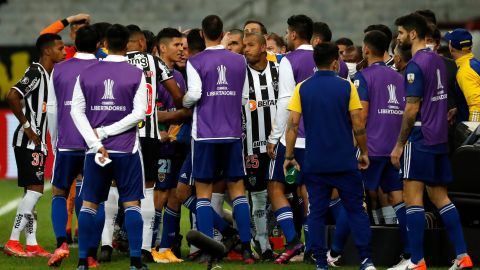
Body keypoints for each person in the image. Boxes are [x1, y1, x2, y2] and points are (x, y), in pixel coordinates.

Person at [392, 13, 473, 270]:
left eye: (401, 32)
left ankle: (417, 260)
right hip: (439, 138)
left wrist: (399, 144)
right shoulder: (439, 61)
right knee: (441, 198)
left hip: (420, 136)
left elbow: (411, 109)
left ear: (413, 34)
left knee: (412, 197)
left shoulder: (415, 66)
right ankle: (463, 256)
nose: (399, 37)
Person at [283, 42, 375, 270]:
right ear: (335, 62)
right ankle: (366, 260)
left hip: (315, 162)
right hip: (344, 161)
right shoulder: (347, 86)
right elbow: (358, 123)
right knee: (356, 210)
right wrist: (364, 152)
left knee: (316, 213)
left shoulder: (302, 88)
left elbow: (293, 125)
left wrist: (289, 156)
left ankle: (321, 263)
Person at [70, 24, 148, 270]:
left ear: (104, 44)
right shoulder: (136, 73)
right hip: (127, 150)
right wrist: (107, 133)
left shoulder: (87, 73)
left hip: (96, 153)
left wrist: (96, 140)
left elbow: (76, 111)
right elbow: (139, 113)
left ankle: (83, 261)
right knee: (132, 203)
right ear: (126, 45)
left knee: (90, 204)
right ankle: (135, 262)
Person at [182, 14, 254, 264]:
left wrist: (185, 101)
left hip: (204, 134)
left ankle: (208, 249)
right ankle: (246, 248)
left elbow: (195, 94)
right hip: (232, 133)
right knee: (237, 192)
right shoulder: (239, 60)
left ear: (202, 35)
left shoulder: (195, 61)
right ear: (222, 33)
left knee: (203, 193)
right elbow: (244, 98)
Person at [3, 33, 65, 258]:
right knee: (35, 192)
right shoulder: (36, 71)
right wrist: (28, 126)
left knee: (31, 194)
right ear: (47, 51)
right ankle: (12, 241)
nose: (64, 50)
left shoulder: (49, 74)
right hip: (28, 142)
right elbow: (12, 95)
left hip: (38, 143)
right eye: (59, 47)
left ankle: (31, 243)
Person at [46, 26, 101, 267]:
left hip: (67, 142)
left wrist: (56, 139)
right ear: (98, 44)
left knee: (59, 192)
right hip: (94, 144)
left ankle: (61, 244)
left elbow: (53, 108)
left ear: (75, 43)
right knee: (92, 197)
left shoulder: (59, 69)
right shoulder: (104, 69)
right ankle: (90, 253)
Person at [355, 30, 409, 270]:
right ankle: (410, 254)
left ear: (366, 49)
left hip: (371, 149)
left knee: (355, 200)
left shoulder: (363, 76)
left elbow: (362, 115)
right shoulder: (399, 76)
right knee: (399, 199)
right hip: (394, 149)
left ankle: (357, 256)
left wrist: (358, 146)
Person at [267, 14, 314, 264]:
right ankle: (313, 246)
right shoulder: (329, 59)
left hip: (295, 136)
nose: (286, 36)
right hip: (320, 139)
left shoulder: (289, 60)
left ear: (294, 34)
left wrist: (275, 137)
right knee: (308, 190)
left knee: (275, 187)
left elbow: (286, 101)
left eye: (287, 32)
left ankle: (294, 242)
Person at [149, 27, 187, 264]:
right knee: (159, 195)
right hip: (159, 147)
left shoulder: (180, 77)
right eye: (177, 46)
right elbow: (149, 110)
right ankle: (150, 246)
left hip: (178, 145)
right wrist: (162, 129)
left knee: (175, 195)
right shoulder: (152, 75)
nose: (182, 49)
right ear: (162, 48)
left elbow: (182, 111)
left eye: (183, 46)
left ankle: (167, 247)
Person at [242, 32, 279, 261]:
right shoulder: (241, 73)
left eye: (251, 45)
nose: (246, 49)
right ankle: (263, 243)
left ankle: (287, 242)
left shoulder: (278, 71)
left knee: (283, 193)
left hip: (278, 144)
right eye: (244, 45)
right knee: (257, 194)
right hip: (251, 146)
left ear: (264, 47)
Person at [445, 28, 480, 122]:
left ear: (451, 47)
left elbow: (476, 105)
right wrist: (458, 110)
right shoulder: (474, 64)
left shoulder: (465, 71)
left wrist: (473, 132)